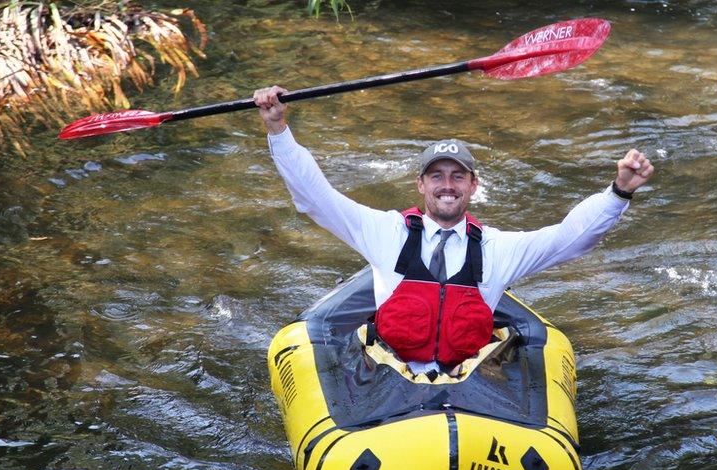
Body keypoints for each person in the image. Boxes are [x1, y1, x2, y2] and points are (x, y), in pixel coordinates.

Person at [254, 85, 654, 375]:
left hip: (468, 381)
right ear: (421, 185)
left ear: (473, 185)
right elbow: (315, 199)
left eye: (458, 176)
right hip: (391, 375)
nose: (448, 185)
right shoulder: (386, 232)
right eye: (437, 176)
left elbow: (571, 237)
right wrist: (278, 131)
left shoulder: (497, 249)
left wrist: (619, 192)